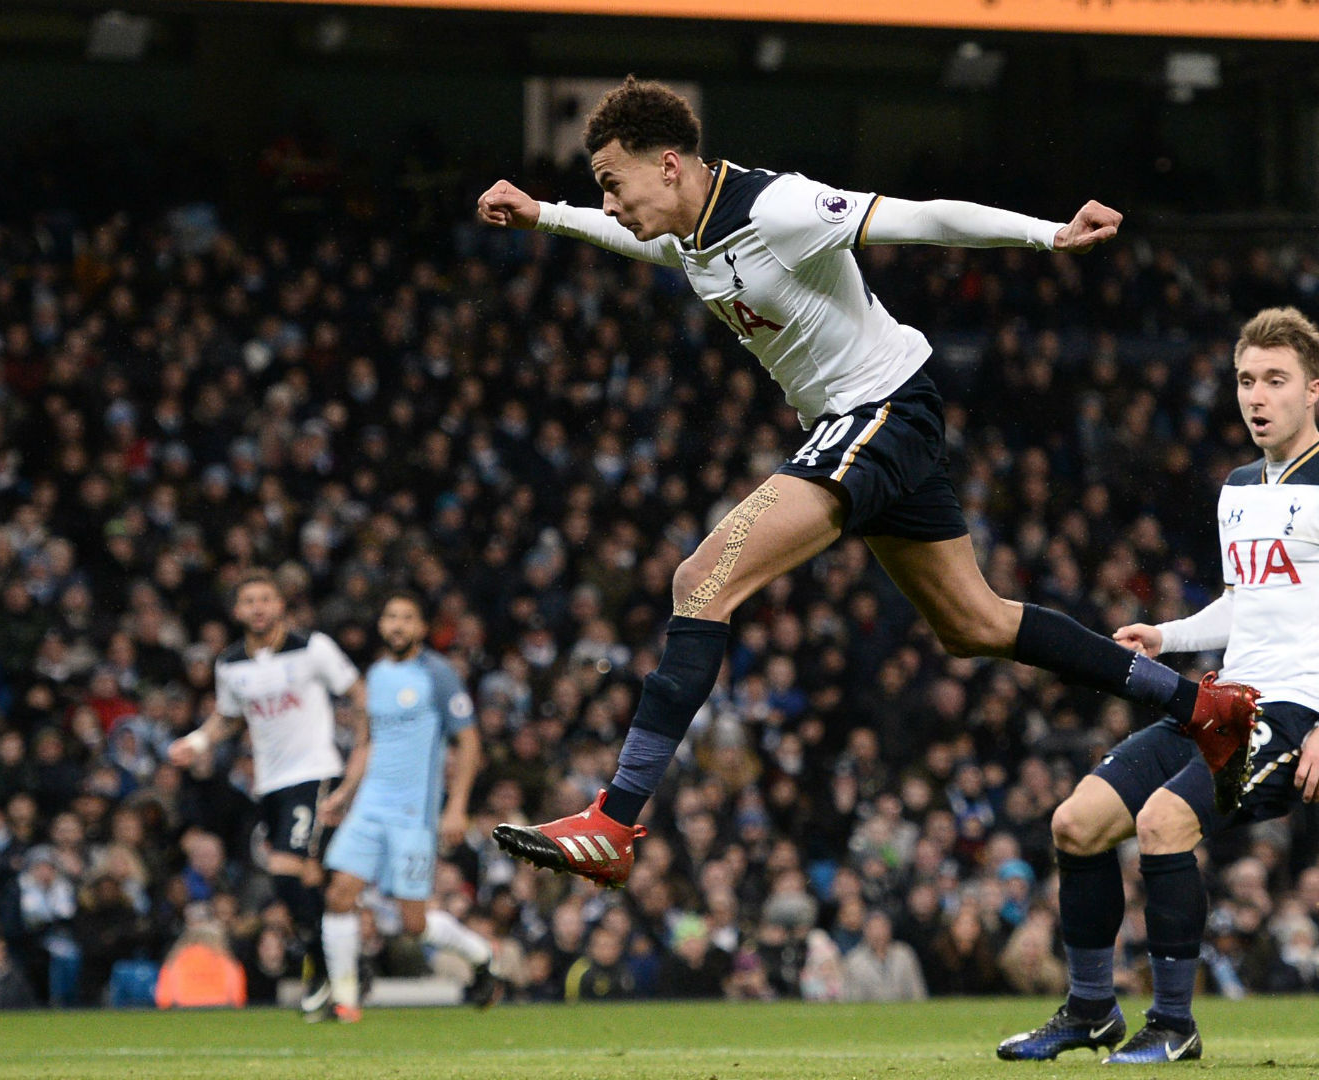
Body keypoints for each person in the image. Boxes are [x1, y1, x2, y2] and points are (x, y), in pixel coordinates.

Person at [474, 75, 1261, 887]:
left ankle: (613, 819)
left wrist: (1048, 236)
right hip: (873, 421)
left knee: (702, 577)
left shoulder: (777, 209)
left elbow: (925, 219)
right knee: (976, 624)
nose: (606, 203)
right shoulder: (686, 230)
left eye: (611, 182)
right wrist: (543, 213)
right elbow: (641, 243)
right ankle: (1202, 708)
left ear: (669, 164)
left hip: (879, 410)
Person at [998, 308, 1319, 1065]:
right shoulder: (1239, 487)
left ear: (1315, 390)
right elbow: (1244, 602)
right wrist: (1166, 637)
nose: (1256, 396)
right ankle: (1090, 1010)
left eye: (1276, 380)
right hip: (1222, 701)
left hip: (1293, 708)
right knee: (1075, 824)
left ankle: (1174, 1024)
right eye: (1246, 380)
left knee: (1164, 824)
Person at [166, 569, 365, 1017]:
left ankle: (323, 969)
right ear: (238, 611)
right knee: (308, 878)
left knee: (283, 870)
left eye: (266, 599)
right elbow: (227, 717)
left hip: (315, 773)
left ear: (281, 606)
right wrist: (197, 741)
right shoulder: (231, 663)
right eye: (249, 601)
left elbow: (357, 692)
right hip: (269, 782)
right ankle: (346, 968)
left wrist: (364, 746)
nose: (258, 608)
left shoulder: (313, 648)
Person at [318, 592, 498, 1022]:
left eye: (407, 618)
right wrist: (345, 792)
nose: (397, 625)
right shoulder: (376, 674)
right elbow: (366, 740)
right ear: (382, 625)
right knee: (340, 893)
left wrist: (455, 808)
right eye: (391, 616)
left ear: (420, 627)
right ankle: (344, 999)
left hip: (413, 813)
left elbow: (469, 742)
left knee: (411, 925)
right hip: (370, 805)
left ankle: (479, 955)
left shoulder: (438, 675)